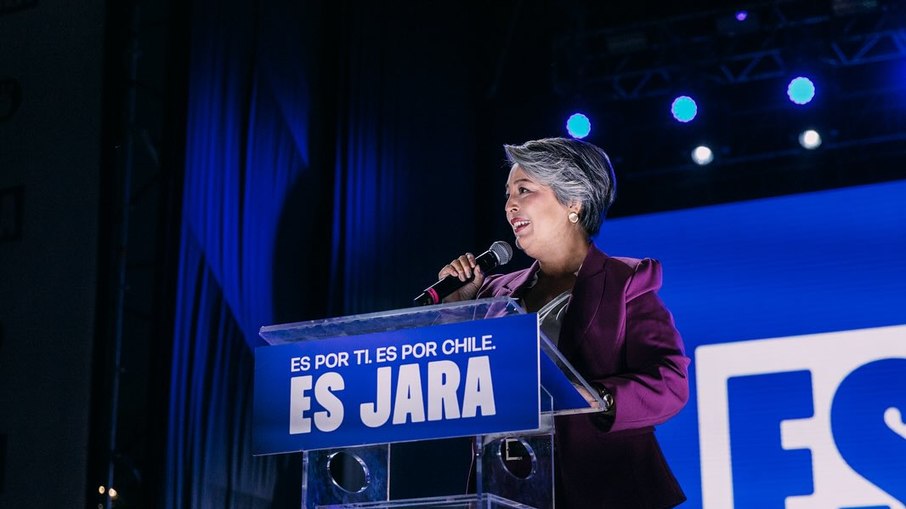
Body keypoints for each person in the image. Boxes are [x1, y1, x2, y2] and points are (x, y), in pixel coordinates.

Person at [438, 137, 690, 508]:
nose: (510, 205)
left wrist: (599, 399)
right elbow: (456, 384)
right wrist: (453, 311)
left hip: (605, 491)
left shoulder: (625, 281)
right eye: (508, 193)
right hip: (508, 491)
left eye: (524, 190)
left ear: (573, 202)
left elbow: (670, 381)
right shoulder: (490, 291)